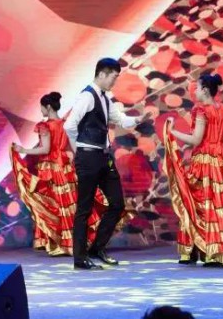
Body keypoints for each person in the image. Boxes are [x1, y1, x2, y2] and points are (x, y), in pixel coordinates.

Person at [163, 73, 223, 267]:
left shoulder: (200, 109)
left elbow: (196, 139)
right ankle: (221, 252)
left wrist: (172, 131)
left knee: (196, 203)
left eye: (197, 88)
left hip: (205, 163)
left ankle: (196, 251)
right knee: (220, 207)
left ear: (205, 90)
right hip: (222, 163)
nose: (195, 92)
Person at [63, 58, 151, 270]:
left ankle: (97, 248)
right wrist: (80, 148)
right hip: (88, 157)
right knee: (84, 208)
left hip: (104, 157)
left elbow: (120, 119)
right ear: (102, 74)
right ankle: (80, 258)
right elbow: (69, 125)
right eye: (113, 77)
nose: (114, 82)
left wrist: (138, 119)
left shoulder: (105, 98)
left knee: (117, 204)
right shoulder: (87, 96)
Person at [11, 92, 108, 256]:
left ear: (48, 107)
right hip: (65, 168)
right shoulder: (65, 123)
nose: (41, 110)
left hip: (51, 169)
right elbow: (70, 148)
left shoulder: (45, 126)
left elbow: (45, 149)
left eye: (42, 107)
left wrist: (23, 150)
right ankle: (76, 243)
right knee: (69, 205)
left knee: (54, 206)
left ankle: (64, 244)